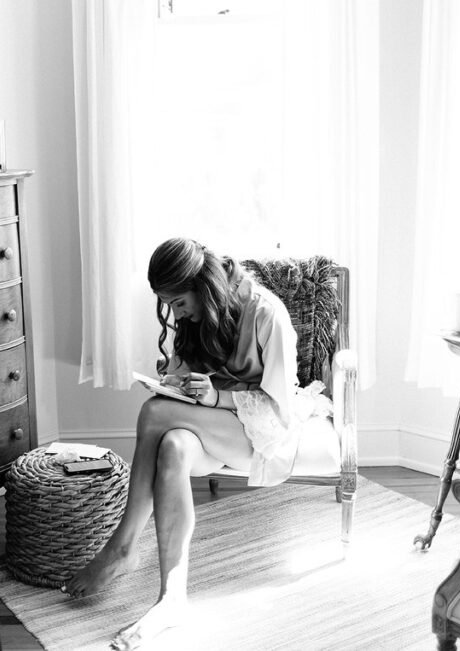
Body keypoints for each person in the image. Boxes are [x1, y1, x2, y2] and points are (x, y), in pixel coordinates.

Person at [64, 238, 336, 650]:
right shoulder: (199, 314)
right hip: (215, 427)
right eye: (169, 304)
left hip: (263, 434)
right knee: (172, 445)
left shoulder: (267, 313)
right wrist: (175, 381)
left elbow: (279, 407)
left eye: (178, 302)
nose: (175, 313)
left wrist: (216, 397)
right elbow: (190, 374)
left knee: (155, 415)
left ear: (202, 287)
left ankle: (123, 545)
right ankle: (172, 596)